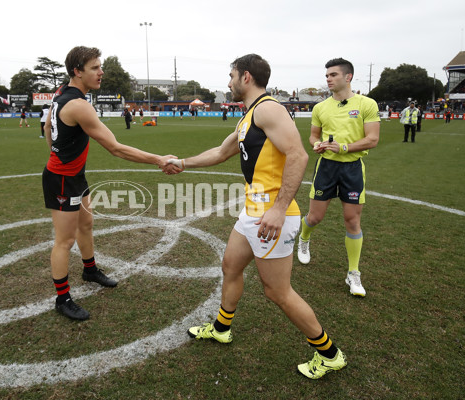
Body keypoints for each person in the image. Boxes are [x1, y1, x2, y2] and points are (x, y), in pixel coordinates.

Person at [167, 53, 347, 380]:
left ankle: (329, 353)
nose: (228, 82)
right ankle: (222, 328)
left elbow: (298, 154)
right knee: (231, 266)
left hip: (273, 214)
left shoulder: (268, 108)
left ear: (246, 77)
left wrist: (278, 209)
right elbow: (221, 152)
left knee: (277, 291)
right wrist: (182, 162)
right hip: (253, 212)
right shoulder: (249, 116)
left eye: (231, 76)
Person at [42, 46, 179, 321]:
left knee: (87, 224)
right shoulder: (79, 105)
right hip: (61, 180)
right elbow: (116, 148)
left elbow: (47, 127)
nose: (101, 72)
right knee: (64, 240)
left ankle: (90, 270)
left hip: (74, 175)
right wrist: (158, 159)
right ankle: (62, 298)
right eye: (95, 68)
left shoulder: (62, 94)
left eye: (100, 66)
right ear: (77, 72)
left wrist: (55, 152)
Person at [297, 58, 380, 298]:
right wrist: (317, 145)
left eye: (333, 75)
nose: (328, 79)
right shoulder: (320, 108)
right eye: (327, 75)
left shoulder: (366, 104)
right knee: (314, 217)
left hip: (352, 168)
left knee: (352, 221)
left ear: (348, 77)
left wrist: (343, 148)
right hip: (326, 168)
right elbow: (313, 137)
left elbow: (372, 139)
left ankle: (353, 272)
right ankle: (304, 238)